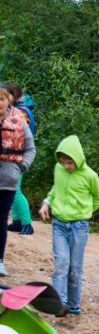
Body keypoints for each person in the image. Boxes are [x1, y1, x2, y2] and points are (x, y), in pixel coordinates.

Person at [38, 136, 99, 315]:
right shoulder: (58, 169)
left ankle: (73, 304)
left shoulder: (90, 175)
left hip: (78, 227)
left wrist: (85, 212)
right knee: (61, 263)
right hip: (58, 224)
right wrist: (47, 203)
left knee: (74, 267)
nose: (66, 166)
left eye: (69, 162)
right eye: (63, 162)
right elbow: (55, 189)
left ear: (78, 158)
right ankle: (60, 304)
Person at [0, 85, 36, 277]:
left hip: (9, 175)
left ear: (10, 100)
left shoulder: (20, 119)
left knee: (2, 217)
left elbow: (30, 147)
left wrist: (21, 167)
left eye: (2, 98)